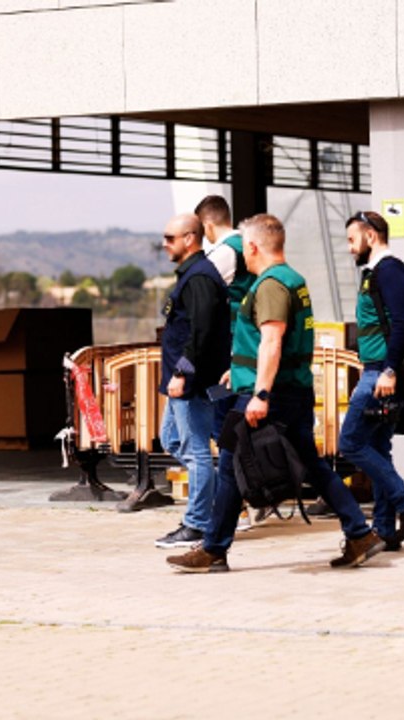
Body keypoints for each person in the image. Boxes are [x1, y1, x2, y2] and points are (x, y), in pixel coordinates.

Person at [166, 214, 385, 572]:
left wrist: (260, 394)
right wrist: (235, 370)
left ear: (252, 247)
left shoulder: (270, 284)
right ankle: (359, 532)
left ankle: (213, 549)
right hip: (287, 389)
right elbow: (263, 344)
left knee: (230, 465)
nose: (244, 258)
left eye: (245, 251)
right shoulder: (293, 280)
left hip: (269, 394)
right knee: (310, 465)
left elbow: (272, 340)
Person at [338, 210, 404, 550]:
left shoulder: (390, 271)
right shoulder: (376, 272)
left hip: (382, 373)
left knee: (350, 443)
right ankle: (384, 530)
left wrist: (390, 370)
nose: (350, 248)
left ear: (371, 235)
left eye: (352, 239)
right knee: (377, 447)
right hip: (376, 370)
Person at [153, 213, 231, 548]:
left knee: (195, 450)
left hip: (191, 380)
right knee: (170, 439)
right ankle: (214, 506)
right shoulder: (192, 275)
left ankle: (199, 523)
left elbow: (202, 331)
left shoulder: (200, 277)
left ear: (190, 238)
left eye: (170, 237)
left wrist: (183, 372)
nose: (164, 243)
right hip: (180, 379)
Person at [195, 194, 261, 529]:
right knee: (230, 430)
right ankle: (242, 503)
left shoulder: (223, 252)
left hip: (230, 357)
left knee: (221, 429)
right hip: (244, 354)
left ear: (208, 224)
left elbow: (200, 297)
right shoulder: (245, 246)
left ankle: (235, 507)